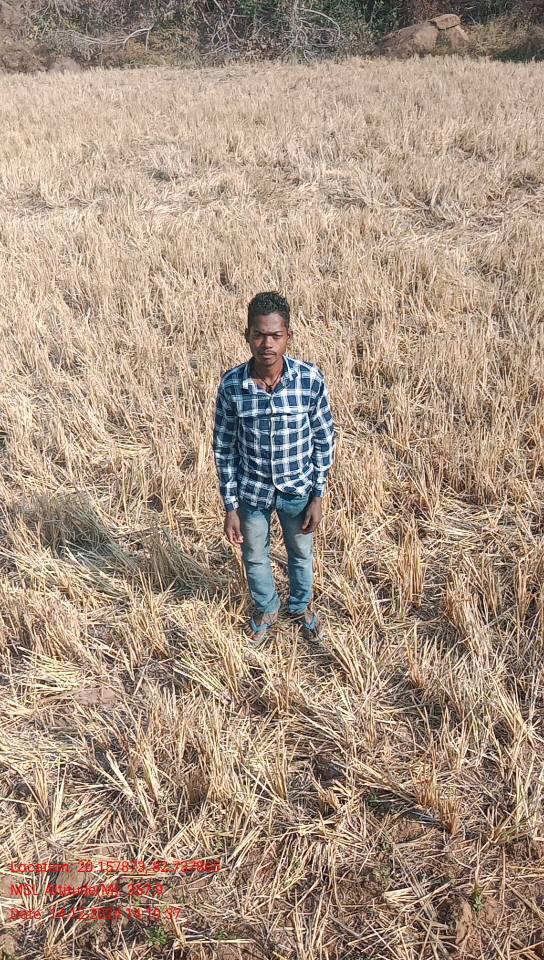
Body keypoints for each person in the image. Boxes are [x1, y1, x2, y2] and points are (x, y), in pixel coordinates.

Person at [212, 291, 336, 645]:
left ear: (288, 336)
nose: (267, 344)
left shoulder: (309, 380)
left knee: (301, 554)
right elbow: (224, 448)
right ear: (247, 335)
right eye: (259, 335)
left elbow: (324, 439)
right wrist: (230, 506)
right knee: (254, 556)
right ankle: (266, 609)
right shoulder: (232, 386)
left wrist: (317, 495)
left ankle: (300, 607)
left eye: (275, 335)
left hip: (298, 489)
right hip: (252, 493)